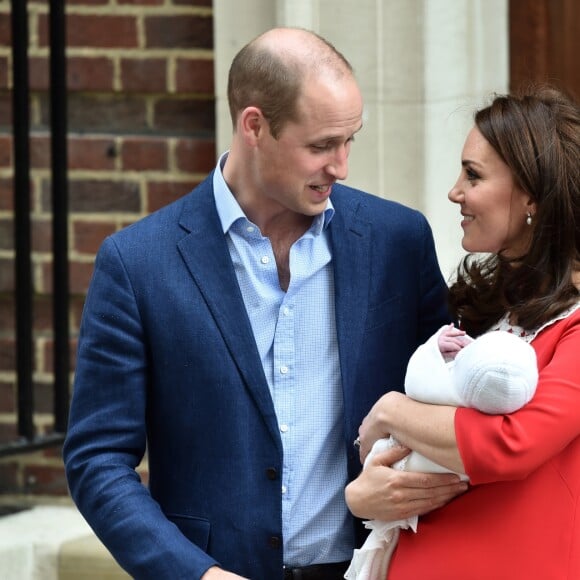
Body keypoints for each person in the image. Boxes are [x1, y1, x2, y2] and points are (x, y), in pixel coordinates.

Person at [62, 27, 461, 580]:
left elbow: (449, 403)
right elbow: (97, 461)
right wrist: (195, 575)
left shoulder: (399, 240)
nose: (341, 166)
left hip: (376, 565)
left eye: (350, 141)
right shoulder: (137, 264)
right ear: (255, 126)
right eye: (321, 146)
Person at [346, 86, 580, 579]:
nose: (455, 191)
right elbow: (409, 454)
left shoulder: (573, 328)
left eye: (473, 176)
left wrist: (392, 409)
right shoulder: (478, 312)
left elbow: (512, 444)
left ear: (533, 195)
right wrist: (362, 496)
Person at [345, 324, 538, 579]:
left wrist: (435, 345)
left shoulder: (447, 391)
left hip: (404, 478)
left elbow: (417, 377)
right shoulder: (487, 408)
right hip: (439, 527)